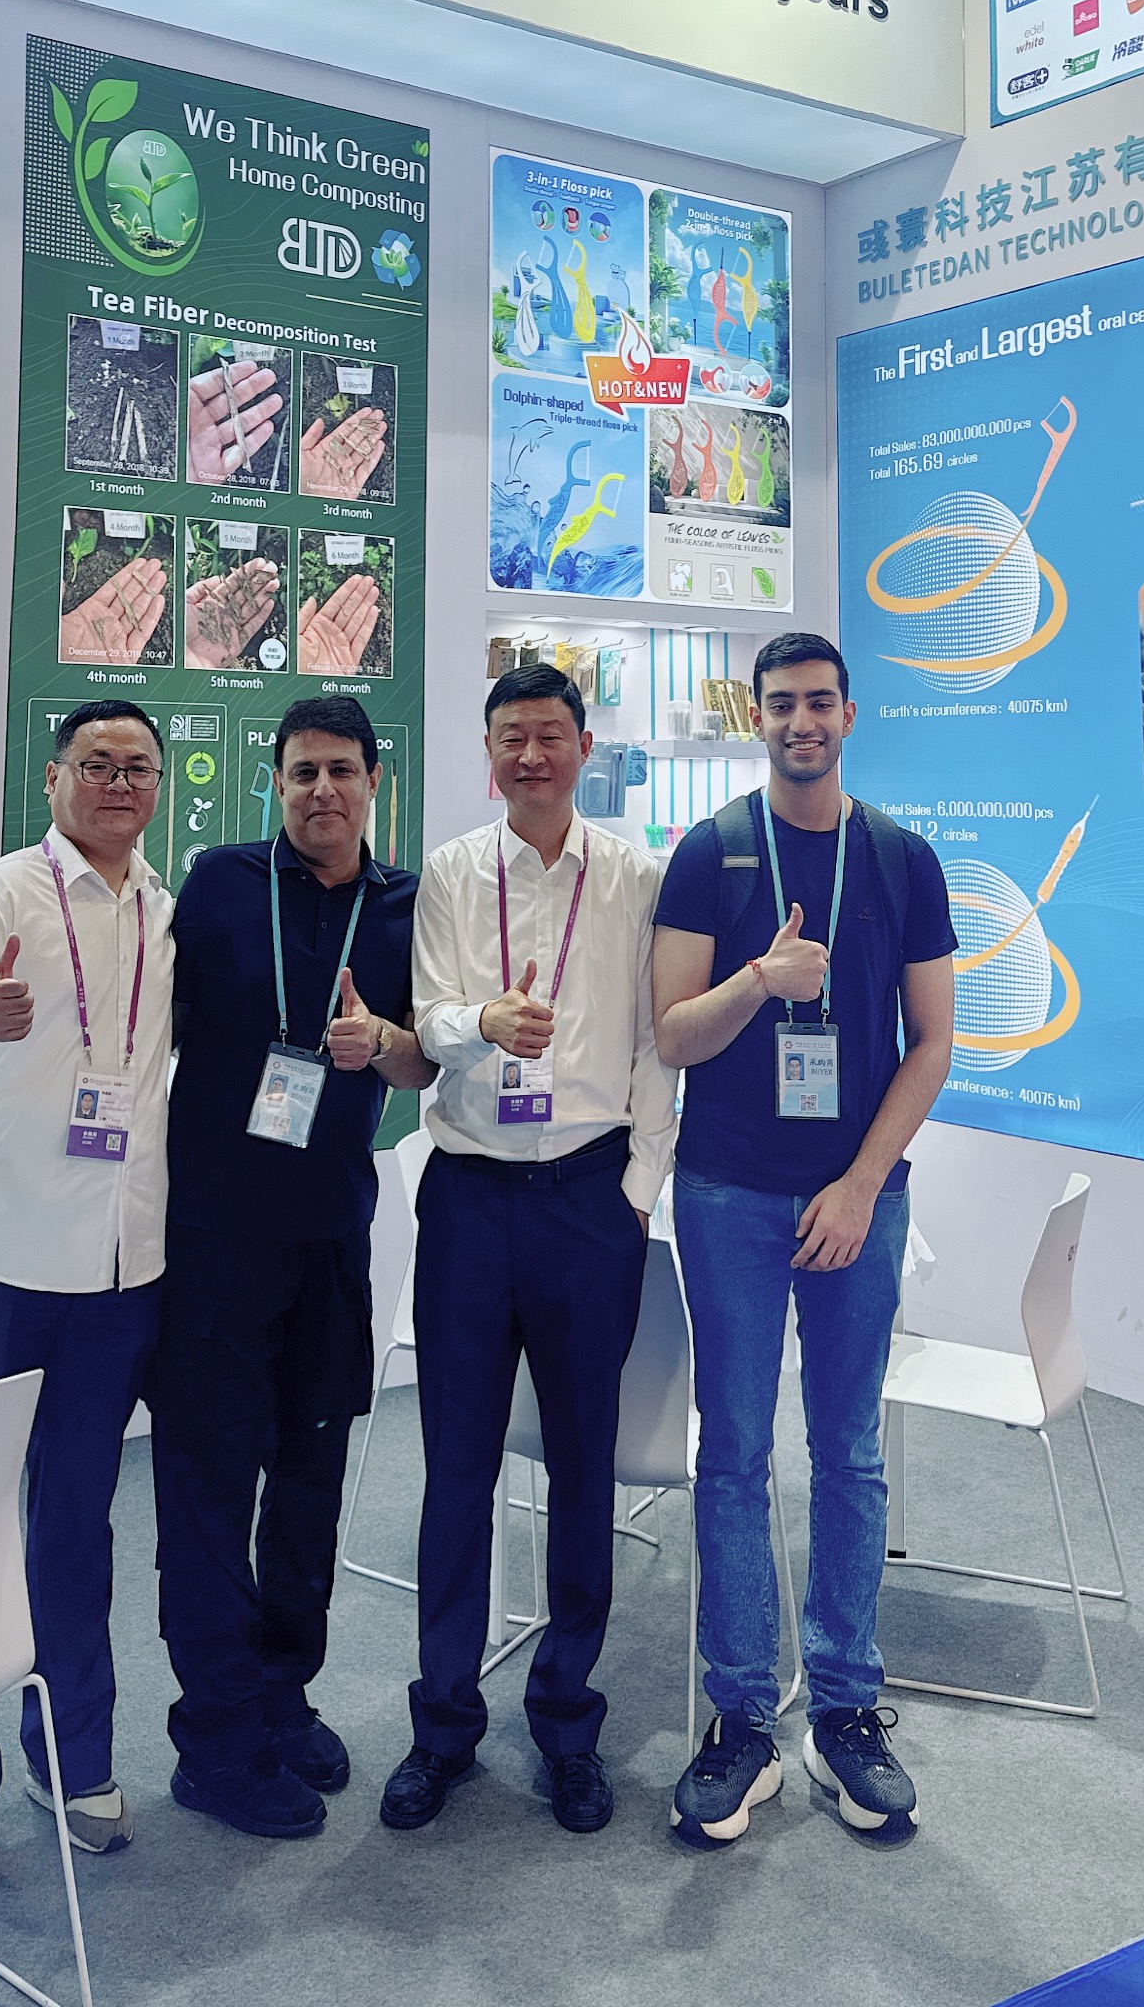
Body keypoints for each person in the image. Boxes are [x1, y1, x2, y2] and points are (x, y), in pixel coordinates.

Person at [652, 632, 955, 1848]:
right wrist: (760, 984)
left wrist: (862, 1183)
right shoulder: (711, 852)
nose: (801, 722)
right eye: (780, 704)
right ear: (756, 717)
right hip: (726, 1194)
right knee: (732, 1455)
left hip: (857, 1201)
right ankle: (739, 1720)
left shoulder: (900, 858)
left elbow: (933, 1040)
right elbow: (673, 1034)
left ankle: (844, 1709)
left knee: (849, 1454)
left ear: (849, 714)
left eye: (820, 702)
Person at [0, 698, 175, 1908]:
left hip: (114, 1270)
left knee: (76, 1524)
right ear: (55, 777)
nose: (118, 782)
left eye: (139, 767)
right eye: (97, 763)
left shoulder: (163, 910)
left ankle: (74, 1757)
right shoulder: (3, 892)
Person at [388, 664, 677, 1835]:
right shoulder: (454, 873)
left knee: (581, 1465)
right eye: (511, 736)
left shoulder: (637, 878)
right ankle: (442, 1726)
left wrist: (637, 1192)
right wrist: (482, 1023)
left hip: (588, 1202)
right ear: (489, 750)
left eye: (551, 735)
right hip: (470, 1199)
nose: (531, 757)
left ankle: (567, 1722)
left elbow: (656, 1046)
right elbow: (427, 1018)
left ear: (584, 746)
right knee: (456, 1468)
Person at [149, 695, 429, 1839]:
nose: (323, 790)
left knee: (309, 1492)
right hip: (216, 1244)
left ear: (373, 783)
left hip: (329, 1243)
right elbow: (148, 1030)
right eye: (303, 771)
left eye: (342, 771)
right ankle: (214, 1740)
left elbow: (425, 1063)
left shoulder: (404, 904)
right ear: (277, 781)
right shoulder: (219, 884)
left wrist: (384, 1044)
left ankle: (282, 1694)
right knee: (212, 1494)